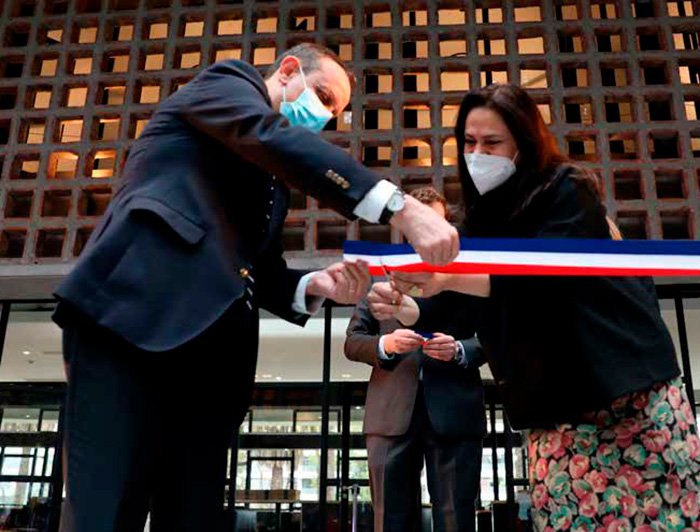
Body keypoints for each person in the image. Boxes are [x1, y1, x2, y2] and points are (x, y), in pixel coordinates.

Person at [52, 43, 459, 532]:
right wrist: (398, 205)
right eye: (325, 98)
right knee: (107, 509)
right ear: (288, 71)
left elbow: (259, 271)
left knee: (191, 515)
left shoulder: (272, 185)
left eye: (335, 113)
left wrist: (317, 285)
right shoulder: (226, 85)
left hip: (212, 361)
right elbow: (268, 135)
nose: (326, 117)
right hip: (134, 320)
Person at [368, 84, 700, 531]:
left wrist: (444, 276)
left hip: (624, 397)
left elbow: (542, 281)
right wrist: (407, 303)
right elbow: (456, 306)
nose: (477, 154)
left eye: (491, 143)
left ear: (523, 142)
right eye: (469, 142)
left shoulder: (567, 190)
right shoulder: (478, 223)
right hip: (552, 412)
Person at [345, 187, 486, 532]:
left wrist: (460, 349)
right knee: (388, 520)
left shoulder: (468, 277)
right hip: (390, 413)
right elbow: (353, 342)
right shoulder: (379, 274)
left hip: (455, 410)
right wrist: (386, 344)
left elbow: (494, 338)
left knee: (457, 520)